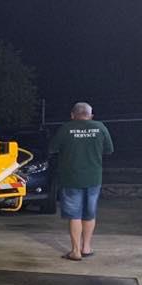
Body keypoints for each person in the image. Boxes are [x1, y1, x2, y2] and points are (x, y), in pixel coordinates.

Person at [48, 101, 114, 261]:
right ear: (91, 115)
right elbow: (109, 150)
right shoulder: (100, 127)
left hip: (71, 178)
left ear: (72, 115)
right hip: (93, 177)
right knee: (89, 213)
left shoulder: (65, 129)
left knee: (74, 215)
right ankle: (86, 247)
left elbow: (52, 149)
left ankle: (75, 251)